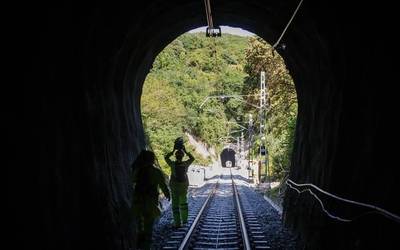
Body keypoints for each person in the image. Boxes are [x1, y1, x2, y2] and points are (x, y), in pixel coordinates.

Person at [131, 150, 170, 250]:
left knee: (140, 225)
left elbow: (132, 180)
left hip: (138, 202)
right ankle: (146, 246)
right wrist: (167, 194)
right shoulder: (156, 172)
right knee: (148, 226)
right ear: (152, 160)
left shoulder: (138, 171)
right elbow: (162, 184)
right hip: (150, 203)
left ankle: (140, 243)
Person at [165, 139, 195, 227]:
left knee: (175, 205)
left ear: (176, 156)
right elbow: (192, 158)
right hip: (183, 186)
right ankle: (185, 220)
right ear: (182, 156)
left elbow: (166, 158)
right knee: (184, 204)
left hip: (174, 186)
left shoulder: (172, 164)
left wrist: (172, 151)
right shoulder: (186, 164)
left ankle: (177, 223)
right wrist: (186, 151)